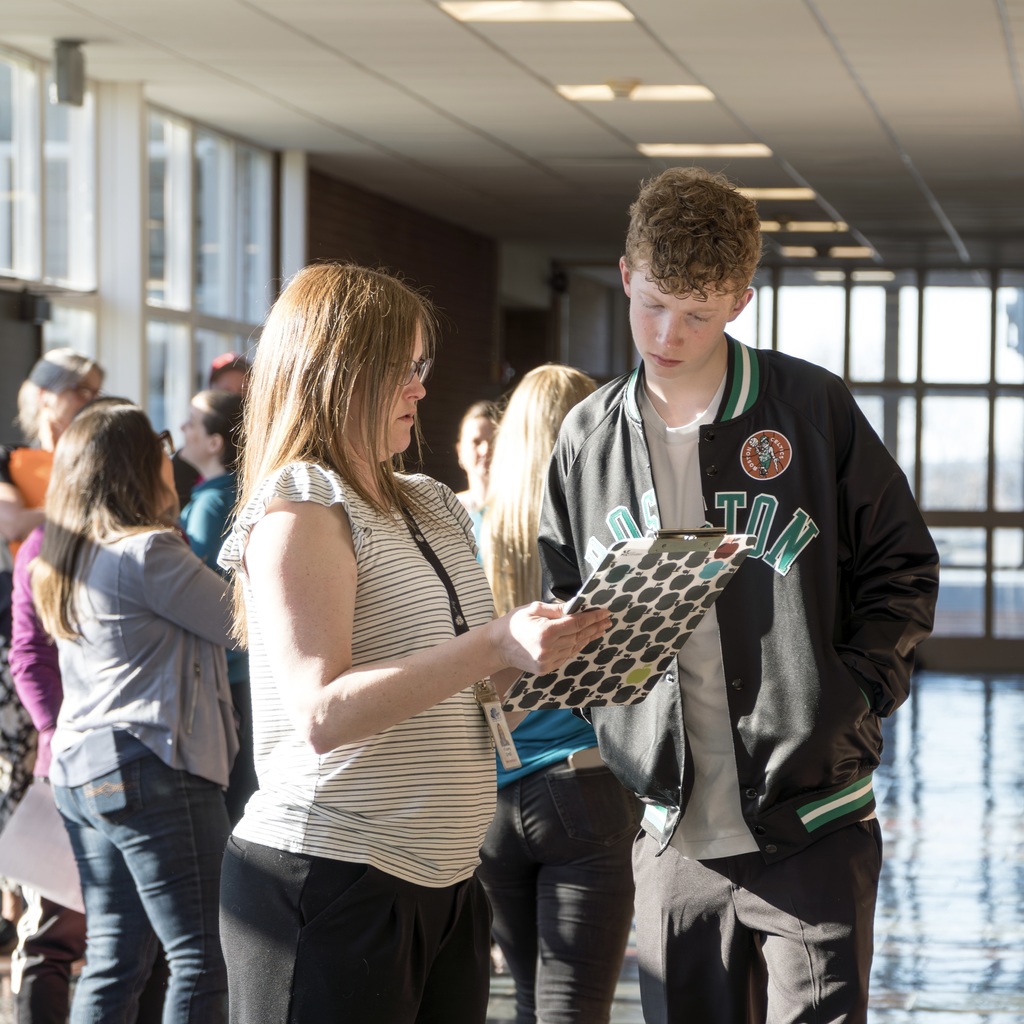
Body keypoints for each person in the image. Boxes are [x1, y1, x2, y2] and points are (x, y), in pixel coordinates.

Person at [537, 167, 940, 1024]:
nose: (668, 333)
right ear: (624, 274)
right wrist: (609, 717)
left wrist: (856, 697)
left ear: (740, 302)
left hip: (814, 818)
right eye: (653, 304)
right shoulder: (585, 438)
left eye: (698, 312)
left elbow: (902, 566)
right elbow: (568, 596)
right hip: (669, 830)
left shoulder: (811, 408)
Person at [216, 262, 610, 1024]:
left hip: (447, 882)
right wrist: (495, 642)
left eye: (421, 367)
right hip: (331, 876)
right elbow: (323, 714)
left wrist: (565, 656)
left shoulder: (430, 503)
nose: (421, 389)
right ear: (338, 373)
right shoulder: (302, 504)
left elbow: (465, 686)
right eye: (404, 369)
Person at [31, 400, 238, 1024]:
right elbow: (242, 621)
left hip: (81, 772)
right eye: (160, 443)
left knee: (114, 960)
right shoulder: (149, 551)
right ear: (136, 464)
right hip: (152, 767)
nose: (171, 456)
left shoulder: (65, 561)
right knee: (203, 956)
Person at [477, 364, 639, 1024]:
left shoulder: (467, 533)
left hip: (489, 793)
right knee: (573, 1009)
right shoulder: (604, 540)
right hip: (585, 788)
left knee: (522, 1002)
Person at [0, 349, 104, 951]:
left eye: (93, 390)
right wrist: (84, 509)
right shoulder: (13, 460)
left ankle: (44, 911)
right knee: (22, 775)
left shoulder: (97, 445)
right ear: (46, 395)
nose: (87, 401)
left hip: (78, 621)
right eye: (78, 391)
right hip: (25, 623)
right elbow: (13, 524)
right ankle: (21, 903)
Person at [177, 389, 256, 823]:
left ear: (214, 443)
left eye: (192, 421)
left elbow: (196, 590)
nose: (182, 428)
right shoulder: (238, 493)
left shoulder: (209, 504)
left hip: (224, 671)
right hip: (242, 668)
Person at [454, 399, 500, 541]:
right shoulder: (449, 510)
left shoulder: (518, 511)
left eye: (493, 442)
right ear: (460, 450)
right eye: (476, 442)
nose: (485, 450)